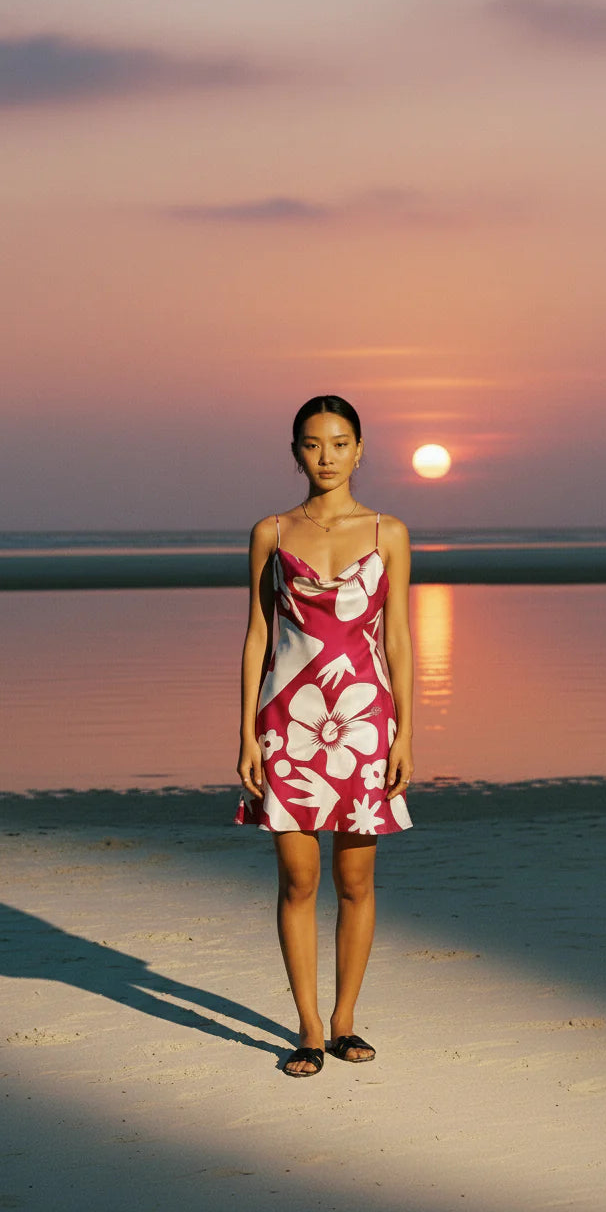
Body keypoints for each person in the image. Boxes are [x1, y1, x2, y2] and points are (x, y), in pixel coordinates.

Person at [235, 395, 414, 1077]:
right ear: (295, 453)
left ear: (360, 450)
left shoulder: (388, 532)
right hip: (288, 722)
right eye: (312, 444)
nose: (326, 457)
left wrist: (405, 733)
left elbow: (398, 638)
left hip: (364, 722)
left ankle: (344, 1021)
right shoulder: (271, 532)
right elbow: (257, 635)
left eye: (339, 443)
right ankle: (308, 1029)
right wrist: (246, 733)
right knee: (298, 879)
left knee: (356, 879)